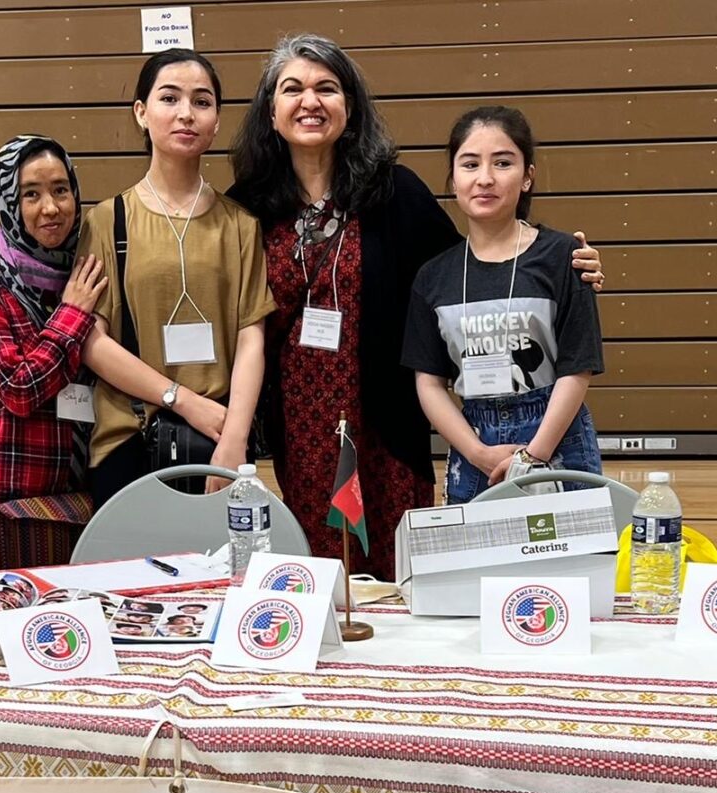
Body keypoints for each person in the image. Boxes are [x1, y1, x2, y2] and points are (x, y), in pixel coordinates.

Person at [227, 35, 605, 579]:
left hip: (386, 415)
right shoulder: (248, 205)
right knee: (320, 563)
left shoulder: (393, 191)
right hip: (301, 422)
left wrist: (573, 267)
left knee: (401, 568)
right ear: (272, 110)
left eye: (327, 88)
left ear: (350, 108)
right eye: (294, 89)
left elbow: (475, 268)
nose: (310, 101)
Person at [80, 48, 275, 504]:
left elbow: (252, 338)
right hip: (129, 438)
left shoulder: (241, 225)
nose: (186, 114)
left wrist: (234, 439)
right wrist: (181, 399)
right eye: (170, 99)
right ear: (141, 113)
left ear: (216, 121)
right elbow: (93, 341)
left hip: (218, 438)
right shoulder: (108, 221)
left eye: (202, 102)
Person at [403, 106, 605, 505]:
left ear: (528, 176)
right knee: (474, 564)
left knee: (574, 562)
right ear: (454, 178)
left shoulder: (565, 256)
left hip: (557, 436)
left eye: (503, 162)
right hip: (475, 440)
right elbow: (429, 384)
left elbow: (576, 368)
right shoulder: (433, 276)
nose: (485, 178)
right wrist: (477, 453)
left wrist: (533, 457)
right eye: (470, 163)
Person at [0, 135, 108, 569]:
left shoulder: (89, 272)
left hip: (81, 497)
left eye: (61, 190)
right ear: (8, 203)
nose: (51, 208)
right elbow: (18, 387)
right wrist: (72, 314)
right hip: (9, 507)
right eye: (31, 194)